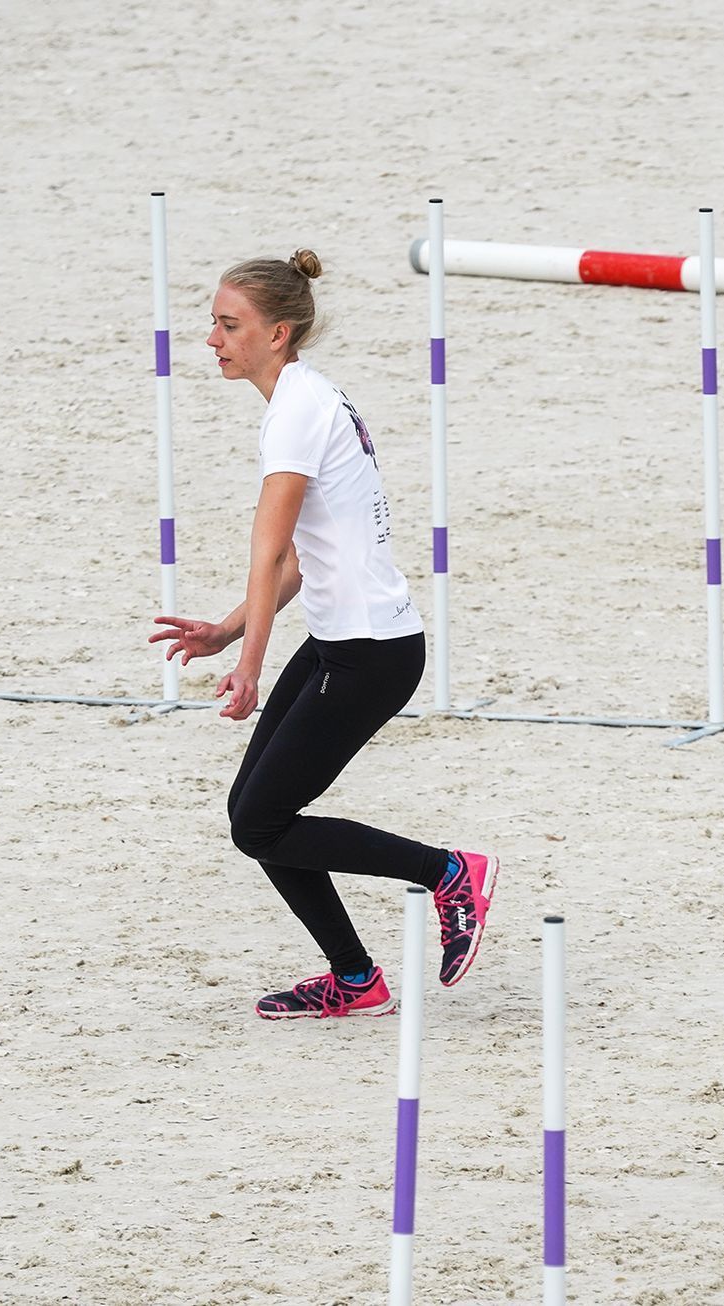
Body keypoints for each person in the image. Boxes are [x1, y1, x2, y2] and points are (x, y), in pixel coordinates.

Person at [151, 249, 496, 1019]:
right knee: (255, 817)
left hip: (370, 653)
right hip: (348, 643)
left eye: (227, 324)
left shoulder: (297, 414)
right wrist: (226, 630)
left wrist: (247, 665)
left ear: (277, 333)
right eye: (213, 321)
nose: (211, 338)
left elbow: (268, 547)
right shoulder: (305, 399)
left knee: (263, 820)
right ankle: (355, 981)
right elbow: (305, 563)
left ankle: (448, 872)